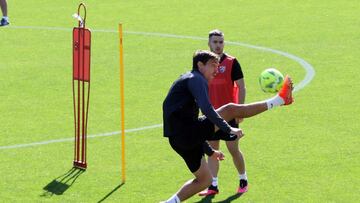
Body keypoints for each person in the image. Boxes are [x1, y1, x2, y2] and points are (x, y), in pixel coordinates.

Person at [161, 50, 293, 203]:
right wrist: (229, 129)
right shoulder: (196, 78)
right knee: (230, 109)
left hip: (179, 140)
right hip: (185, 134)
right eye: (213, 65)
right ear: (200, 65)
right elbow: (207, 108)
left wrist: (210, 152)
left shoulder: (189, 80)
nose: (216, 70)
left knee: (205, 180)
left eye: (218, 66)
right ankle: (280, 100)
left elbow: (191, 125)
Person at [199, 29, 248, 196]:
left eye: (220, 42)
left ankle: (243, 179)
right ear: (209, 44)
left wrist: (240, 110)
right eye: (215, 42)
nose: (218, 45)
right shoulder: (203, 64)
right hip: (210, 116)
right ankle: (213, 186)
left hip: (229, 115)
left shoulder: (232, 62)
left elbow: (241, 87)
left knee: (233, 149)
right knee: (213, 151)